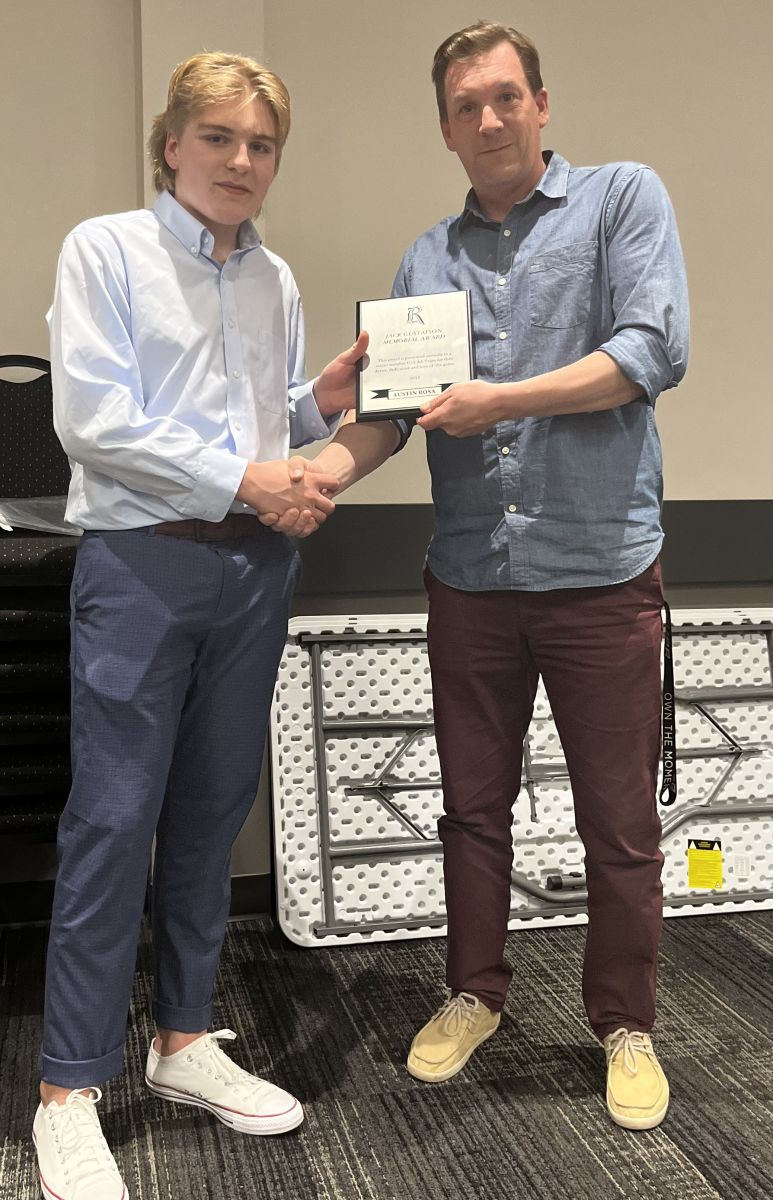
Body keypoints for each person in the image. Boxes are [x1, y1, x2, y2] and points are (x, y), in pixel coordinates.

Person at [310, 21, 688, 1132]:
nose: (487, 118)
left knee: (618, 822)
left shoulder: (620, 200)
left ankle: (624, 1024)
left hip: (599, 572)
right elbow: (392, 417)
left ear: (540, 104)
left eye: (505, 96)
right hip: (470, 577)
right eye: (464, 106)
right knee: (471, 811)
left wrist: (499, 399)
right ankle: (473, 993)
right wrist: (314, 474)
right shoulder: (423, 264)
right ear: (444, 129)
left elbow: (649, 352)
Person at [34, 51, 368, 1200]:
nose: (240, 159)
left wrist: (317, 406)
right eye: (218, 137)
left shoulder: (273, 278)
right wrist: (247, 477)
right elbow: (94, 422)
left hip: (252, 572)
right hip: (142, 567)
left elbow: (262, 423)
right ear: (170, 143)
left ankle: (181, 1040)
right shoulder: (106, 251)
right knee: (112, 820)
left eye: (260, 144)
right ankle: (67, 1088)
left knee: (213, 812)